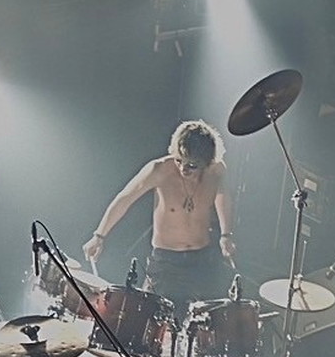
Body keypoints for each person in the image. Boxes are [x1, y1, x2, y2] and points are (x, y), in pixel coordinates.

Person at [83, 119, 237, 312]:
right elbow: (124, 199)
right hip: (166, 262)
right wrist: (99, 236)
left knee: (207, 318)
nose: (183, 169)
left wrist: (226, 234)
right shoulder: (159, 170)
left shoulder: (217, 171)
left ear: (207, 162)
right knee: (154, 317)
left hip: (202, 258)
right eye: (179, 160)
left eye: (192, 165)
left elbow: (223, 196)